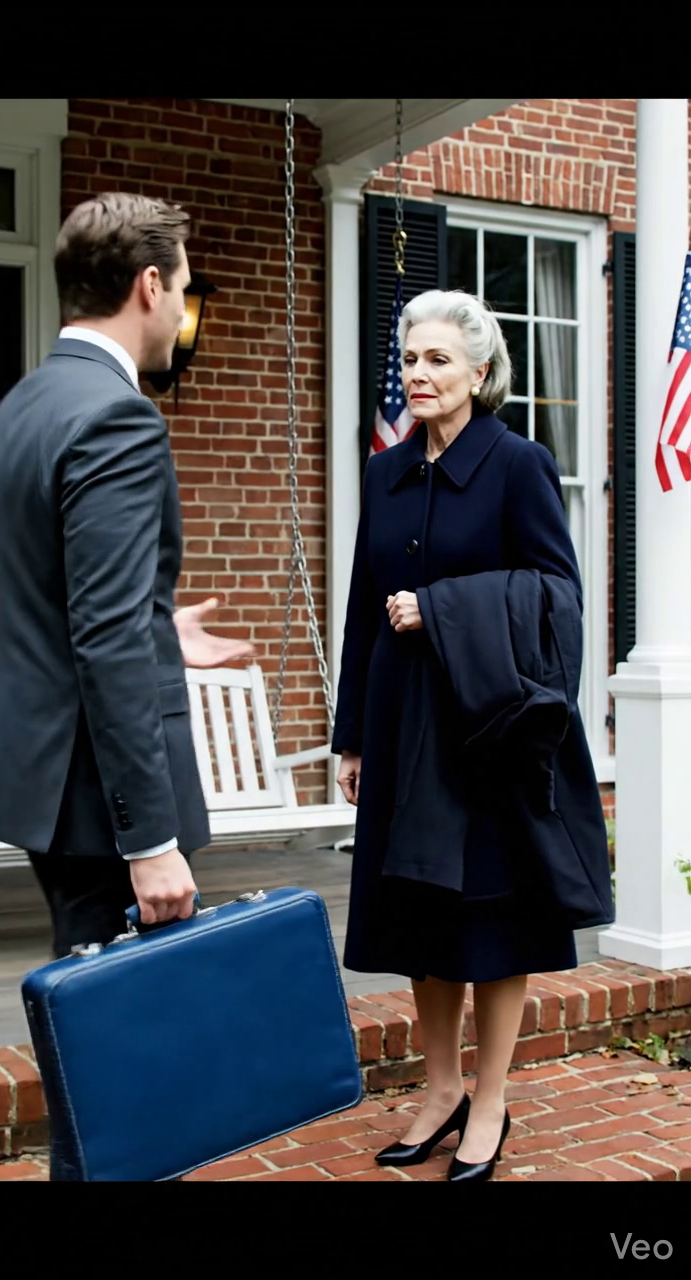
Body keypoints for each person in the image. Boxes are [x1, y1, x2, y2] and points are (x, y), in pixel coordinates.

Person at [333, 288, 613, 1183]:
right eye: (410, 359)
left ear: (480, 372)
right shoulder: (384, 471)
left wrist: (444, 609)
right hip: (398, 719)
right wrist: (350, 736)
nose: (418, 374)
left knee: (494, 915)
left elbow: (560, 598)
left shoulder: (519, 463)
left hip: (484, 724)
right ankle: (440, 1086)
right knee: (418, 908)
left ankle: (491, 1097)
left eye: (438, 360)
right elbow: (360, 613)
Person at [0, 192, 252, 962]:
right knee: (141, 1052)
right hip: (105, 806)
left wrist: (163, 627)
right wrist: (150, 838)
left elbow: (54, 593)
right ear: (150, 286)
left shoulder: (19, 409)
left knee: (99, 1033)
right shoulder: (115, 416)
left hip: (46, 788)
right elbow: (106, 632)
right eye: (184, 285)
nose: (180, 308)